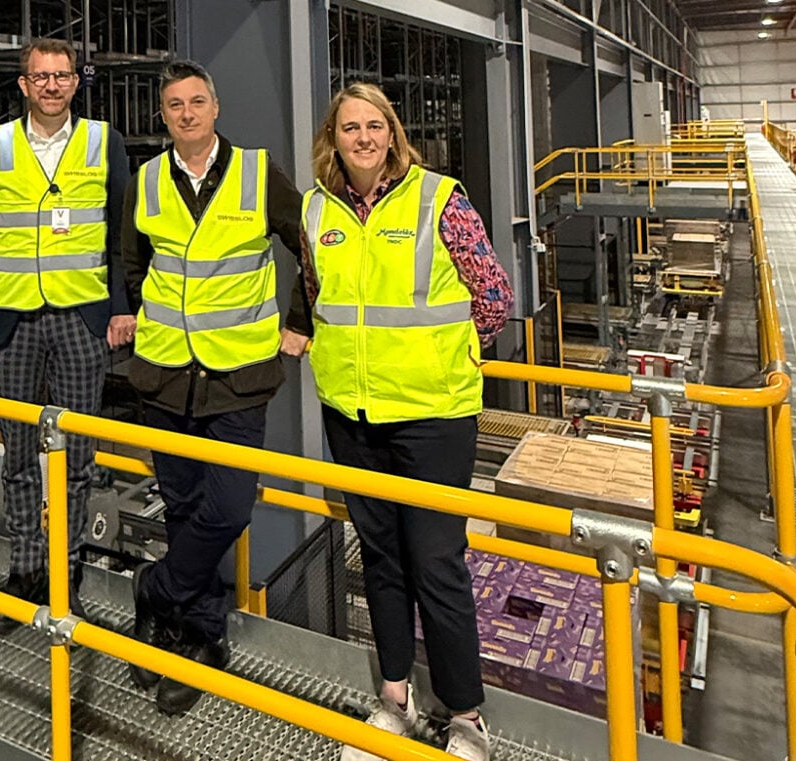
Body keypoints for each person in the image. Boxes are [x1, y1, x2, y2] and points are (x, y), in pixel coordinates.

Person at [288, 83, 513, 761]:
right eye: (350, 127)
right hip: (352, 412)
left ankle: (465, 716)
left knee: (437, 561)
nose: (363, 137)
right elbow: (314, 293)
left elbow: (493, 295)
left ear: (393, 134)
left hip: (432, 415)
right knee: (380, 558)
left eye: (374, 126)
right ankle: (395, 701)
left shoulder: (439, 199)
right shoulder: (317, 208)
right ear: (333, 137)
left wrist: (445, 357)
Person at [123, 60, 312, 716]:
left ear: (216, 107)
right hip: (165, 374)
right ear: (163, 114)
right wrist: (134, 313)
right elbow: (130, 261)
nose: (185, 113)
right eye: (173, 105)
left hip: (238, 376)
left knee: (228, 507)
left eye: (195, 101)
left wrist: (299, 320)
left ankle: (157, 591)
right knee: (181, 508)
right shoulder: (147, 180)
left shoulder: (258, 174)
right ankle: (195, 634)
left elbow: (310, 246)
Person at [0, 38, 131, 635]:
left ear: (75, 84)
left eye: (62, 76)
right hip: (11, 323)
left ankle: (67, 573)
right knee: (18, 457)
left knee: (77, 460)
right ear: (24, 85)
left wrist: (120, 307)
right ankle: (26, 571)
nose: (52, 85)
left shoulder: (102, 141)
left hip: (83, 321)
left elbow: (120, 233)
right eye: (41, 77)